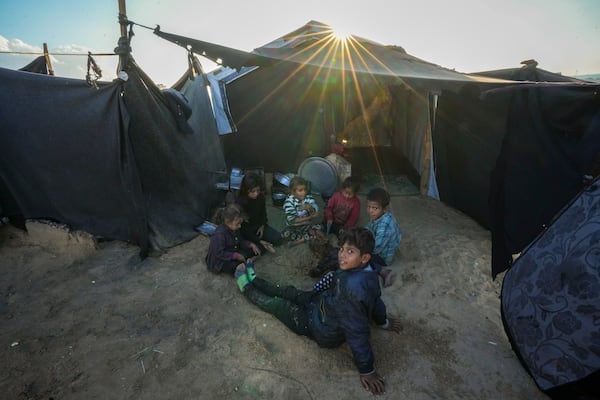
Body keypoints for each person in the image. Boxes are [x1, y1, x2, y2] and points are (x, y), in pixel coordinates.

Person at [233, 227, 402, 395]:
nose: (342, 255)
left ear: (364, 258)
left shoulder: (351, 292)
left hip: (318, 326)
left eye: (349, 251)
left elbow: (357, 331)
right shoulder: (368, 272)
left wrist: (367, 369)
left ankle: (247, 287)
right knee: (290, 292)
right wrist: (383, 322)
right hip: (321, 303)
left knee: (280, 306)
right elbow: (377, 302)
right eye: (342, 249)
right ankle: (256, 280)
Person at [205, 203, 260, 274]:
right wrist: (235, 256)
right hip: (220, 259)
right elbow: (218, 253)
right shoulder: (219, 235)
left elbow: (240, 241)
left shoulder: (234, 228)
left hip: (232, 250)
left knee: (253, 250)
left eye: (240, 223)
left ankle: (245, 261)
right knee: (236, 266)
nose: (240, 226)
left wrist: (250, 244)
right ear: (228, 222)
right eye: (237, 224)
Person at [236, 173, 283, 254]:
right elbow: (243, 229)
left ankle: (262, 244)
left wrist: (262, 225)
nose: (256, 194)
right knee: (251, 251)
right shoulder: (240, 204)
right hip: (247, 231)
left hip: (258, 226)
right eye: (252, 191)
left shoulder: (260, 197)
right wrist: (259, 240)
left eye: (257, 190)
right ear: (245, 190)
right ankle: (261, 245)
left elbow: (263, 214)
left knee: (278, 239)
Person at [365, 188, 402, 286]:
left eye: (375, 208)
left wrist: (362, 249)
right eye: (368, 207)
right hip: (380, 244)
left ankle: (384, 272)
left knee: (363, 258)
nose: (370, 211)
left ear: (384, 208)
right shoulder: (378, 216)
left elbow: (376, 249)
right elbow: (368, 227)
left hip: (384, 256)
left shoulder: (384, 226)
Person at [282, 176, 322, 242]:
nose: (304, 192)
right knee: (286, 234)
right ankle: (305, 238)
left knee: (320, 227)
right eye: (300, 190)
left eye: (305, 190)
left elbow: (316, 210)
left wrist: (311, 208)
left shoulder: (308, 197)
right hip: (293, 226)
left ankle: (299, 240)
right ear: (293, 192)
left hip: (306, 225)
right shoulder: (289, 202)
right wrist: (310, 217)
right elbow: (292, 220)